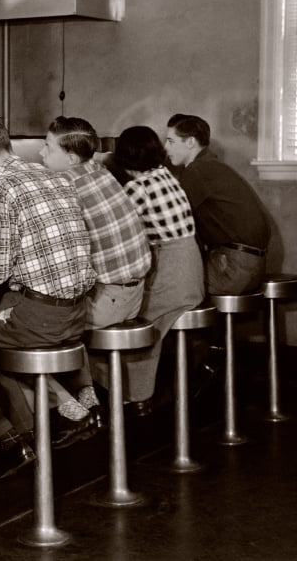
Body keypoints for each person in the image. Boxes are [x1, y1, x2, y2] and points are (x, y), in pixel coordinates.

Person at [0, 118, 97, 450]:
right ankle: (80, 397)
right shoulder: (56, 176)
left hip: (43, 317)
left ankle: (27, 435)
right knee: (7, 315)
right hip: (79, 312)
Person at [40, 117, 153, 412]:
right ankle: (86, 392)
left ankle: (70, 406)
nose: (41, 154)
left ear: (71, 157)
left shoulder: (65, 184)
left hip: (109, 300)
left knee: (38, 326)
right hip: (134, 295)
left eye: (48, 147)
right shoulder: (100, 172)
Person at [111, 126, 205, 412]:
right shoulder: (167, 175)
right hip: (193, 271)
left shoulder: (136, 188)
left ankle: (136, 397)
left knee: (138, 322)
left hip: (171, 274)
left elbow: (117, 234)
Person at [164, 114, 270, 295]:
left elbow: (173, 223)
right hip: (250, 265)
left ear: (190, 142)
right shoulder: (210, 166)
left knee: (163, 285)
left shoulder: (197, 171)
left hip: (233, 268)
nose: (166, 148)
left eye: (171, 141)